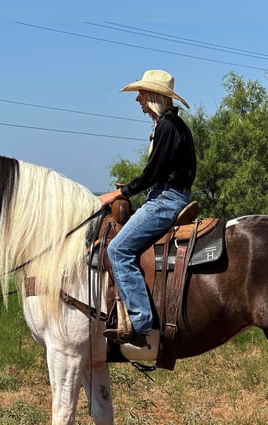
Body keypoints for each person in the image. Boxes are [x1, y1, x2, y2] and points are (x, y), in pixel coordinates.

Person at [99, 69, 197, 348]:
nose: (137, 99)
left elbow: (153, 173)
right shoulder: (171, 126)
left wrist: (118, 193)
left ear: (154, 95)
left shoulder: (167, 127)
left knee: (117, 249)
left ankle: (141, 323)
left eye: (141, 93)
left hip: (165, 200)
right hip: (169, 194)